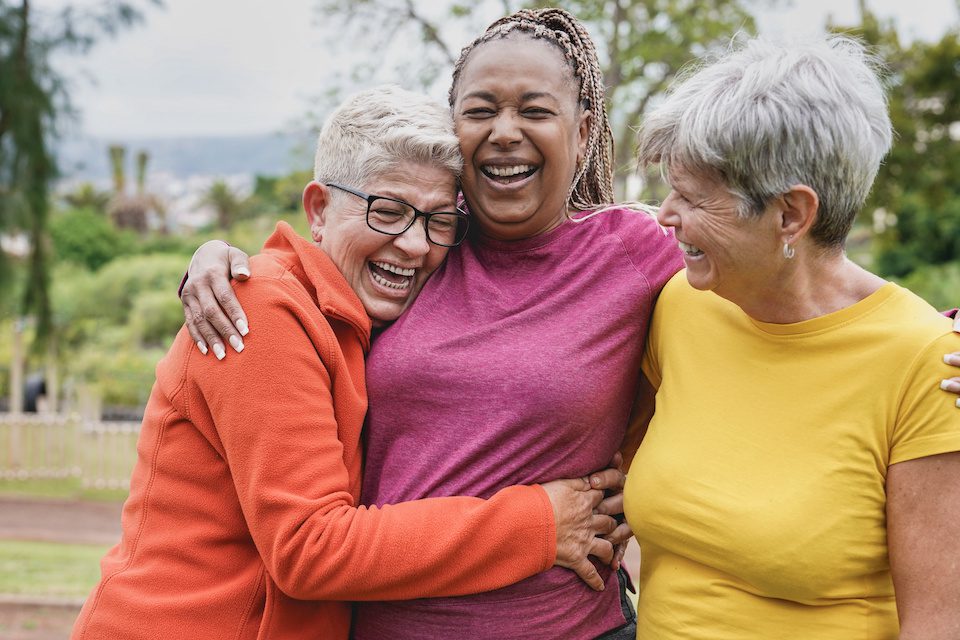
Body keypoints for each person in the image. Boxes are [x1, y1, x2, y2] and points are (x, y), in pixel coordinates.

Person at [181, 9, 960, 640]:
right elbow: (319, 263)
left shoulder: (642, 258)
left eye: (535, 110)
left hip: (571, 628)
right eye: (479, 110)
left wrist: (939, 336)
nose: (505, 130)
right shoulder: (421, 243)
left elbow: (795, 275)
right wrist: (219, 261)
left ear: (583, 133)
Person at [71, 85, 628, 640]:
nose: (415, 244)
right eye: (387, 212)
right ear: (319, 209)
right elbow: (309, 547)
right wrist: (537, 524)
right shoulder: (261, 310)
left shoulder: (365, 318)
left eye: (438, 222)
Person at [625, 35, 960, 639]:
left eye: (694, 198)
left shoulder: (928, 365)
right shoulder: (682, 303)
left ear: (790, 215)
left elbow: (937, 624)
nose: (666, 214)